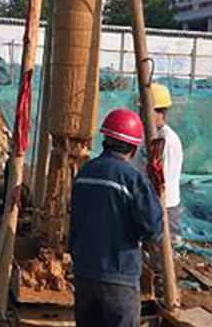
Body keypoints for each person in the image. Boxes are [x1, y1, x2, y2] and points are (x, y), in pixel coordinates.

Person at [69, 108, 163, 327]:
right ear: (133, 146)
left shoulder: (84, 173)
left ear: (105, 140)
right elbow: (153, 228)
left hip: (84, 273)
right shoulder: (132, 179)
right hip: (118, 277)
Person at [146, 83, 184, 241]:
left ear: (160, 112)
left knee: (161, 252)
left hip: (164, 206)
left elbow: (162, 182)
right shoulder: (152, 137)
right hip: (153, 204)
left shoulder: (167, 141)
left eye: (145, 111)